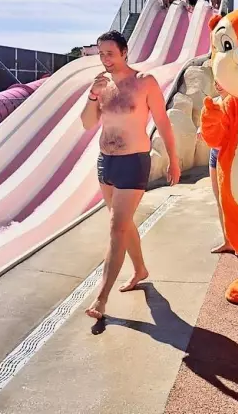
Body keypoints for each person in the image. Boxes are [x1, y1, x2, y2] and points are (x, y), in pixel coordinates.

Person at [80, 30, 182, 320]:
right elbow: (87, 123)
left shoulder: (144, 82)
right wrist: (92, 95)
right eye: (101, 54)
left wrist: (174, 160)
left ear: (125, 52)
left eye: (110, 53)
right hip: (106, 162)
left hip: (133, 161)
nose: (105, 59)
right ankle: (140, 269)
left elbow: (162, 122)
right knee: (122, 224)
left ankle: (101, 298)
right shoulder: (102, 85)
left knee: (116, 227)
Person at [206, 81, 235, 255]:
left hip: (231, 155)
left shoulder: (236, 103)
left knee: (234, 201)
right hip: (215, 153)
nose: (218, 85)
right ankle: (227, 241)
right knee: (219, 200)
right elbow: (207, 126)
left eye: (221, 81)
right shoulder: (214, 103)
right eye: (215, 81)